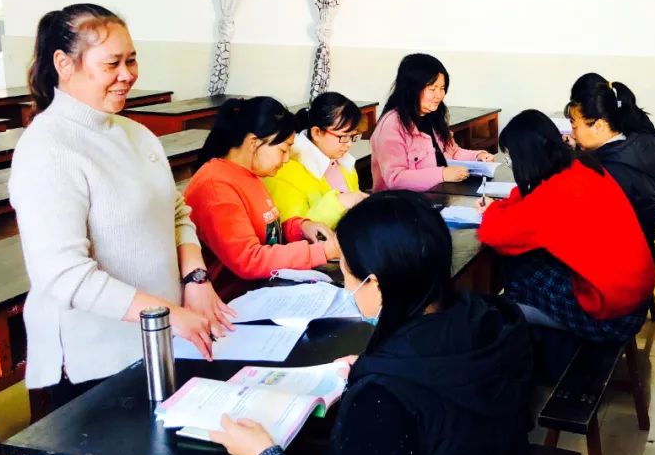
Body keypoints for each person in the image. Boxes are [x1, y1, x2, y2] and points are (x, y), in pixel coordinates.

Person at [210, 191, 534, 455]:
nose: (346, 288)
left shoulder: (382, 398)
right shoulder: (489, 321)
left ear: (376, 285)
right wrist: (374, 367)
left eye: (347, 275)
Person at [9, 4, 231, 411]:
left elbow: (176, 213)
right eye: (112, 63)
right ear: (64, 64)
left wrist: (196, 279)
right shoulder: (47, 149)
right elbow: (64, 274)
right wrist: (167, 315)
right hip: (94, 363)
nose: (127, 74)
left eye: (131, 60)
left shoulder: (136, 133)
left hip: (160, 341)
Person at [477, 110, 655, 344]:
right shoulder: (581, 167)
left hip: (611, 317)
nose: (512, 166)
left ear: (526, 157)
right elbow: (527, 198)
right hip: (635, 297)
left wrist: (491, 210)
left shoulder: (554, 196)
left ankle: (524, 327)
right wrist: (501, 207)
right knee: (534, 262)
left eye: (511, 159)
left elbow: (494, 234)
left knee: (517, 268)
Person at [185, 97, 341, 299]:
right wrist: (323, 251)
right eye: (283, 150)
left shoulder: (251, 174)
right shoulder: (215, 186)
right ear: (253, 143)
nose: (286, 159)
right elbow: (248, 259)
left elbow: (265, 232)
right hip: (230, 302)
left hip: (261, 289)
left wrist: (301, 227)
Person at [565, 73, 655, 252]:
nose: (572, 133)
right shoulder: (631, 150)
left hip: (617, 260)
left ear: (598, 126)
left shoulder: (605, 171)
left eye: (574, 126)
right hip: (642, 256)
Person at [370, 53, 493, 192]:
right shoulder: (391, 125)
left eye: (442, 88)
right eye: (432, 89)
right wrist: (442, 174)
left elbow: (453, 152)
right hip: (402, 202)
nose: (439, 95)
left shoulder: (433, 116)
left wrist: (478, 157)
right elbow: (396, 179)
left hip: (437, 194)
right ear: (413, 89)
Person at [264, 92, 368, 228]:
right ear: (316, 133)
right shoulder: (284, 170)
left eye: (353, 136)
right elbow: (293, 231)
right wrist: (340, 203)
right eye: (343, 136)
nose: (349, 144)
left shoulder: (344, 161)